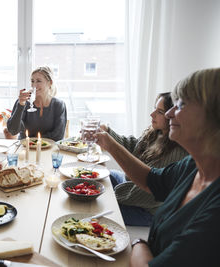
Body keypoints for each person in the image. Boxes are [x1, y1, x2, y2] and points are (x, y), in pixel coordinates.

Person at [94, 68, 220, 266]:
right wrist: (109, 143)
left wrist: (137, 244)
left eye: (181, 104)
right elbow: (150, 179)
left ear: (213, 116)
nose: (170, 114)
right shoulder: (192, 166)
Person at [102, 92, 188, 226]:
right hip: (133, 187)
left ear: (174, 116)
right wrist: (108, 131)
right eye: (155, 108)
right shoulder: (157, 132)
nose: (152, 114)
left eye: (159, 112)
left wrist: (109, 195)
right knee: (106, 176)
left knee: (101, 205)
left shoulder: (176, 151)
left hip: (149, 209)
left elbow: (146, 192)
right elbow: (134, 147)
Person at [7, 66, 67, 141]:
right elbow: (13, 131)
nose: (34, 85)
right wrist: (21, 105)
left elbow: (58, 135)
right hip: (25, 148)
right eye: (32, 81)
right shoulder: (23, 102)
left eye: (38, 81)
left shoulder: (58, 105)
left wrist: (33, 141)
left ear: (50, 83)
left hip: (49, 148)